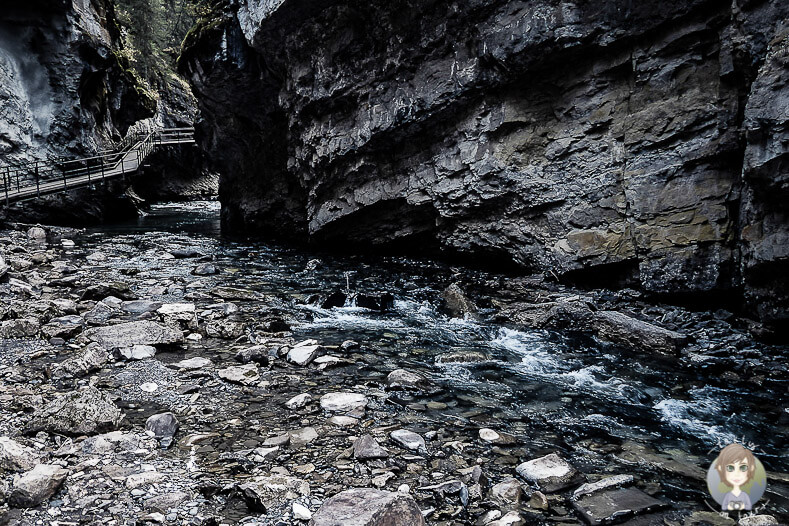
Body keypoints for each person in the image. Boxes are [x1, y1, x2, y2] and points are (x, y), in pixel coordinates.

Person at [715, 443, 756, 511]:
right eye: (730, 468)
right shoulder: (728, 495)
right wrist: (729, 506)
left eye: (743, 467)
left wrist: (742, 506)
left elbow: (748, 506)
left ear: (751, 468)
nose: (736, 474)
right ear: (721, 469)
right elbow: (724, 507)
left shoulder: (744, 495)